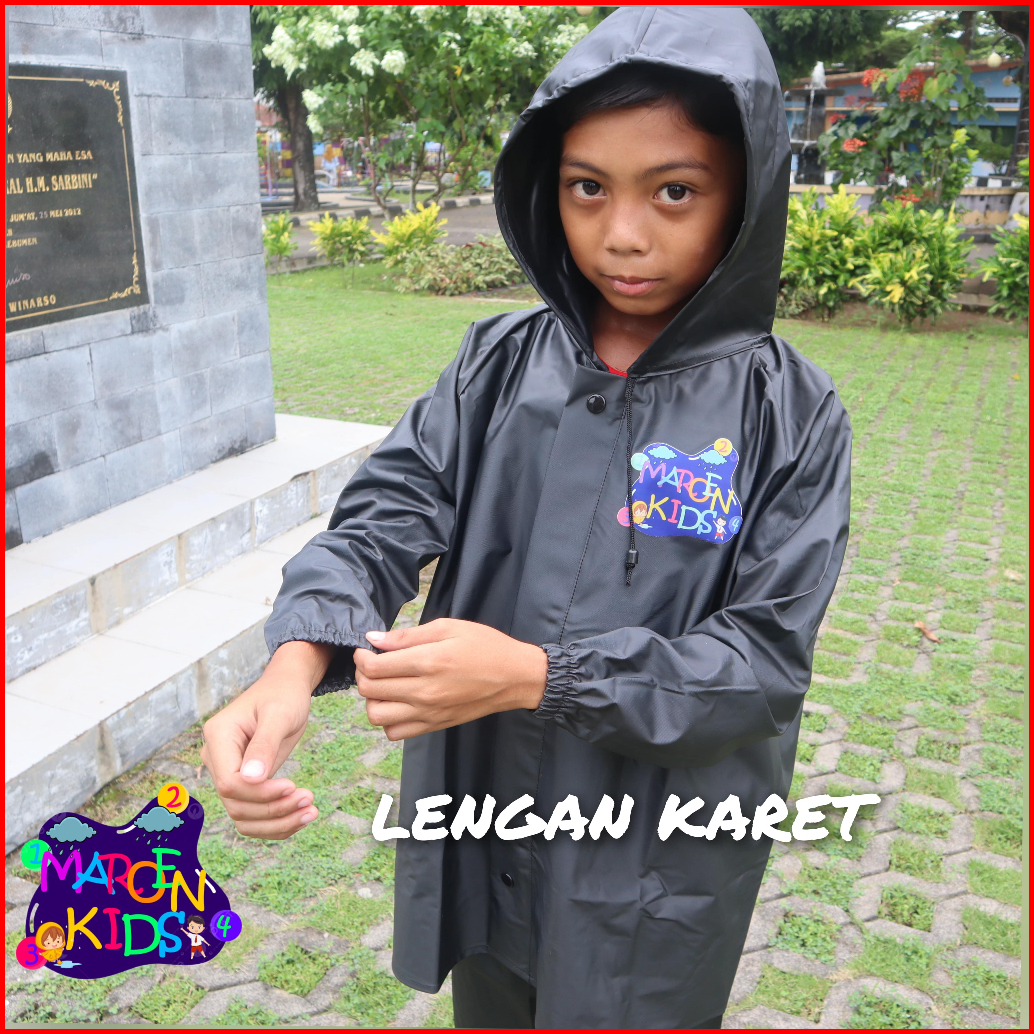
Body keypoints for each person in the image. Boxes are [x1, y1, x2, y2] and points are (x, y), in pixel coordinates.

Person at [201, 7, 851, 1028]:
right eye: (588, 186)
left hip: (656, 853)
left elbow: (760, 663)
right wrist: (290, 666)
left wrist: (540, 675)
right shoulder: (496, 366)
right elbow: (384, 513)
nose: (621, 233)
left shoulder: (789, 412)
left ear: (747, 193)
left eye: (673, 191)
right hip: (489, 812)